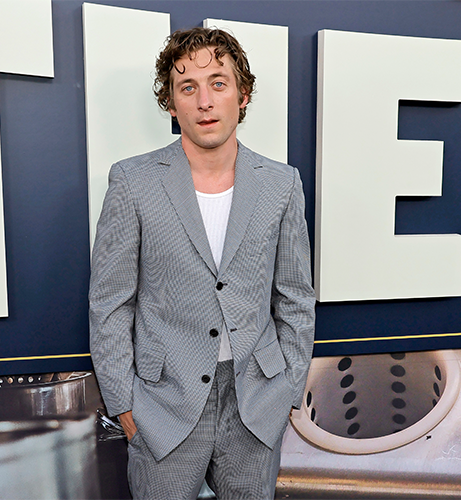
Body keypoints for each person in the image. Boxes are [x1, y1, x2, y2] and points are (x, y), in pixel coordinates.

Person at [89, 27, 315, 500]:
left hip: (256, 402)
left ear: (243, 94)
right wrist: (125, 405)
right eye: (187, 87)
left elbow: (295, 298)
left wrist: (288, 391)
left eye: (218, 83)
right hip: (162, 405)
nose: (204, 101)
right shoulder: (132, 181)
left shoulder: (282, 184)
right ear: (171, 104)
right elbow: (110, 303)